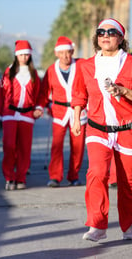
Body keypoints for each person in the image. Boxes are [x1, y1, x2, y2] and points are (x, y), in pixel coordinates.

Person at [71, 18, 132, 242]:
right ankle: (97, 225)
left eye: (111, 32)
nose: (105, 35)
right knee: (97, 173)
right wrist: (76, 118)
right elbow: (79, 94)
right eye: (101, 32)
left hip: (128, 129)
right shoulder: (85, 66)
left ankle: (127, 224)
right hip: (98, 129)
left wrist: (123, 91)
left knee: (127, 182)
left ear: (121, 38)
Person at [35, 36, 87, 187]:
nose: (66, 56)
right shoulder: (52, 70)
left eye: (69, 52)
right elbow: (44, 92)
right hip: (59, 111)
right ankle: (55, 176)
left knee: (78, 147)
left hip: (79, 112)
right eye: (62, 53)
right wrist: (40, 107)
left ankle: (74, 176)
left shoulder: (81, 65)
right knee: (56, 146)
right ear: (56, 53)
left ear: (72, 52)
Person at [0, 40, 41, 190]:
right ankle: (9, 177)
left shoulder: (34, 74)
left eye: (27, 54)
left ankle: (21, 177)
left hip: (27, 115)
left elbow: (39, 94)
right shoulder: (8, 72)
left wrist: (39, 107)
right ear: (16, 55)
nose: (24, 57)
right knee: (9, 146)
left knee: (24, 149)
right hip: (9, 114)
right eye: (21, 54)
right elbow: (0, 95)